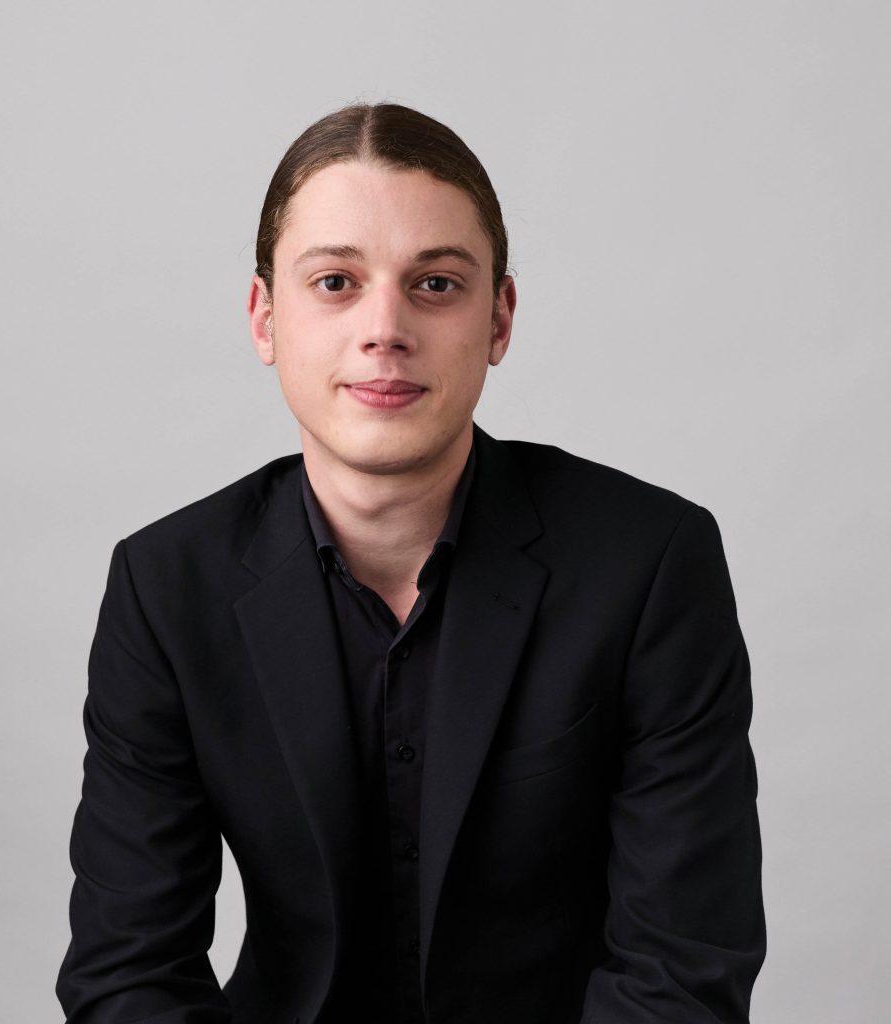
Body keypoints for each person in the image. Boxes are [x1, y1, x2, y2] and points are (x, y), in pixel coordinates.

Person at [56, 102, 765, 1024]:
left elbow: (681, 973)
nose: (384, 327)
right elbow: (127, 978)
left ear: (499, 318)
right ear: (266, 319)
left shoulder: (652, 565)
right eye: (336, 282)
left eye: (434, 284)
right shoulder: (165, 588)